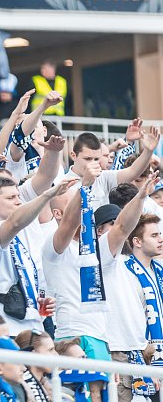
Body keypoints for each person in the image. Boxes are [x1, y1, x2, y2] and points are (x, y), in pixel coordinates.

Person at [42, 166, 154, 399]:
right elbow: (69, 225)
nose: (85, 206)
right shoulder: (54, 247)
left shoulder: (94, 248)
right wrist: (84, 187)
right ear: (58, 213)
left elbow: (122, 227)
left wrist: (141, 198)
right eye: (76, 201)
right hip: (72, 337)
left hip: (100, 338)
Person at [0, 176, 71, 332]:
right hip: (3, 326)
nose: (18, 201)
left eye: (18, 197)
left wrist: (35, 301)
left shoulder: (22, 235)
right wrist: (47, 195)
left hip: (34, 325)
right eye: (11, 198)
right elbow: (15, 222)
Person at [119, 213, 163, 401]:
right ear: (137, 241)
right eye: (154, 235)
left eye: (160, 234)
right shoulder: (124, 271)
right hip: (144, 357)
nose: (160, 239)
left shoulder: (159, 269)